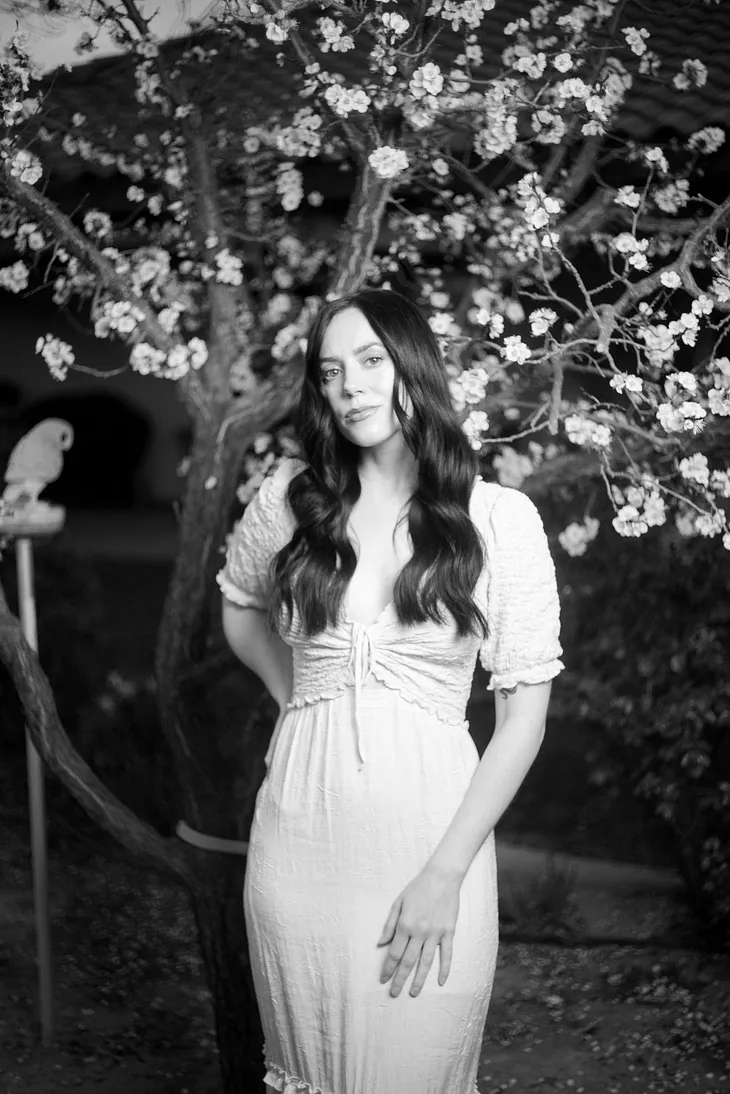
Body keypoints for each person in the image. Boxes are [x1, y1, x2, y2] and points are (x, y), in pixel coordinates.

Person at [216, 288, 563, 1094]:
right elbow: (238, 607)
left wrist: (444, 875)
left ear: (413, 366)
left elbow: (524, 719)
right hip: (297, 856)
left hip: (433, 850)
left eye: (372, 361)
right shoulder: (293, 498)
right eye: (332, 371)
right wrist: (294, 697)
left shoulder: (497, 519)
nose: (351, 387)